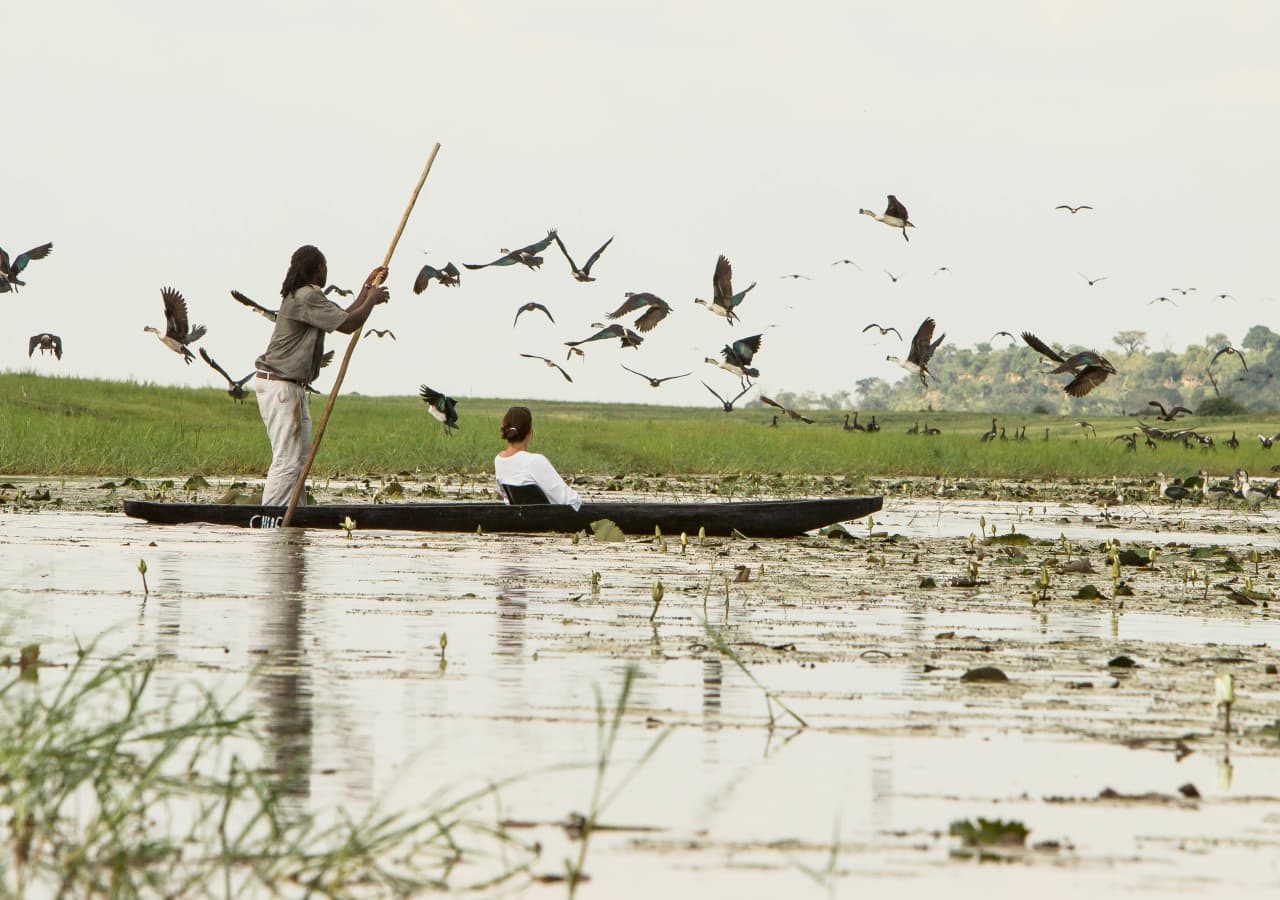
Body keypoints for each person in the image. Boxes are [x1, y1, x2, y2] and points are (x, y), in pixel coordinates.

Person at [255, 245, 389, 507]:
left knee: (297, 461)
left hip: (289, 386)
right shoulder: (307, 297)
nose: (326, 271)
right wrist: (372, 299)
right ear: (316, 269)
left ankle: (295, 516)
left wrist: (365, 289)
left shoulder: (307, 297)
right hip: (281, 386)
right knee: (287, 459)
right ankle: (272, 517)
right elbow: (349, 325)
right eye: (324, 266)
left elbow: (343, 316)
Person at [494, 406, 582, 510]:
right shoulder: (534, 461)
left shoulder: (499, 460)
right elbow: (572, 501)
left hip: (524, 520)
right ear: (530, 433)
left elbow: (507, 500)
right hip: (547, 522)